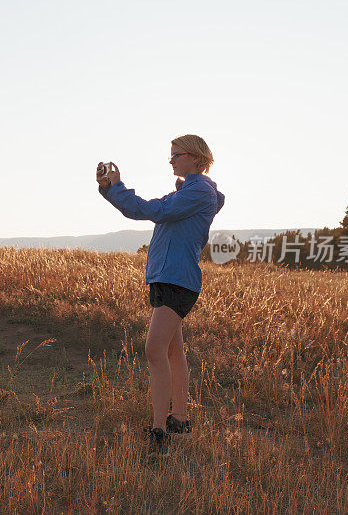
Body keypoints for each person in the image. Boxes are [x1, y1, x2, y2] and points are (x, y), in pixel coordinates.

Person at [95, 134, 225, 459]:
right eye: (171, 156)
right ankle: (179, 419)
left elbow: (150, 210)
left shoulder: (197, 191)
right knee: (172, 353)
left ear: (196, 157)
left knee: (154, 350)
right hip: (167, 279)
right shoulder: (188, 191)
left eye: (176, 155)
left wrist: (115, 189)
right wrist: (112, 188)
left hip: (178, 282)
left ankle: (159, 432)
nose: (171, 161)